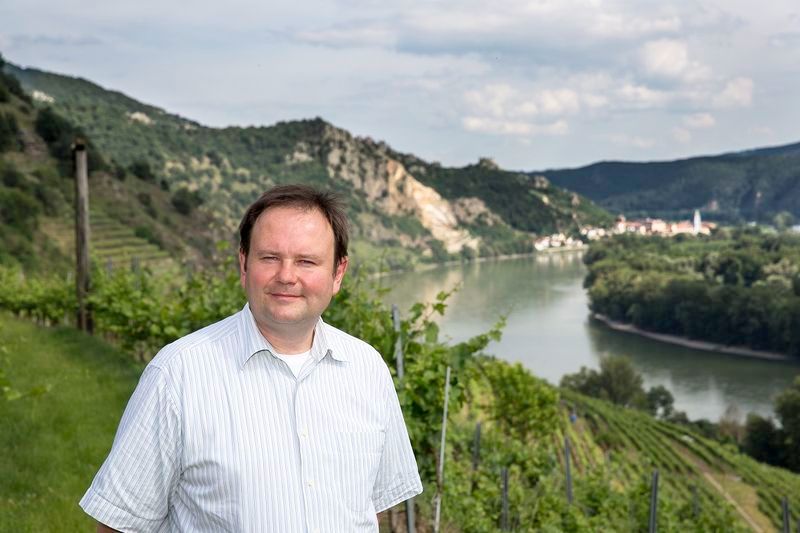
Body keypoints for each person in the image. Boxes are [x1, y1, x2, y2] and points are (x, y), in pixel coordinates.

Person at [80, 184, 423, 532]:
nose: (287, 276)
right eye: (270, 258)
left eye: (306, 261)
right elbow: (119, 524)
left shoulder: (368, 369)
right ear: (244, 264)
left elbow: (367, 508)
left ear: (337, 273)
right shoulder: (177, 375)